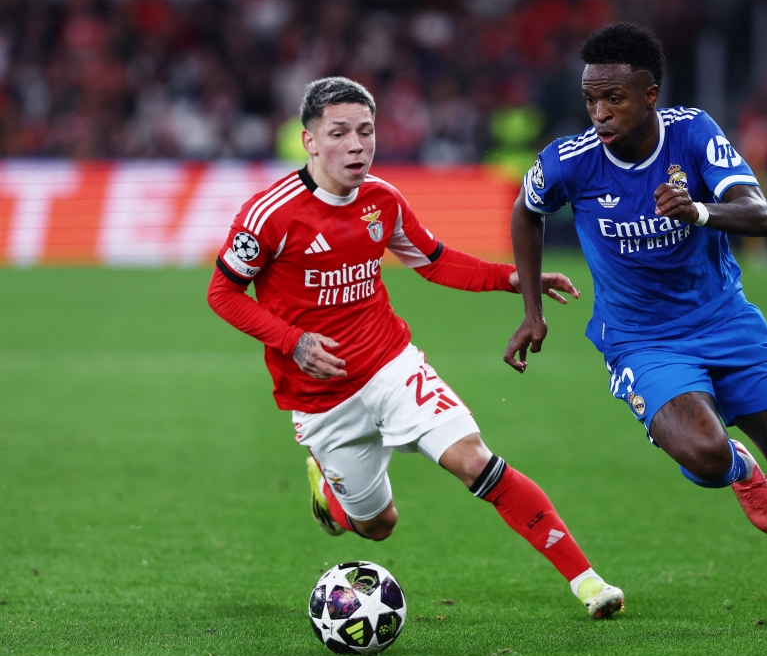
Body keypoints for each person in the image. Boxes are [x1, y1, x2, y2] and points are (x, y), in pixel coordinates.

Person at [206, 76, 624, 620]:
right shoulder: (271, 214)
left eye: (366, 131)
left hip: (391, 366)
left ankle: (588, 582)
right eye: (339, 133)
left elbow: (434, 260)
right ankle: (329, 494)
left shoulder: (382, 200)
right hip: (321, 398)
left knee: (473, 460)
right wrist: (294, 341)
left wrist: (513, 278)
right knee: (378, 526)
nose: (356, 145)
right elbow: (222, 293)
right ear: (309, 141)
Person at [504, 23, 767, 625]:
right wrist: (532, 310)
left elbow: (759, 214)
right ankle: (738, 468)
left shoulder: (693, 133)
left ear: (650, 94)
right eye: (591, 100)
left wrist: (699, 210)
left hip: (726, 321)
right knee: (706, 456)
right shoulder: (570, 162)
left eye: (614, 99)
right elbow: (526, 212)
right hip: (642, 339)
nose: (600, 113)